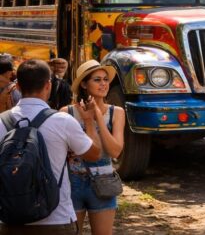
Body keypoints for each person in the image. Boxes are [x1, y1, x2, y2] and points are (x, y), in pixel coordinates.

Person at [0, 59, 101, 234]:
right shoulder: (62, 121)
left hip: (10, 220)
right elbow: (94, 154)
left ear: (16, 86)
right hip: (57, 219)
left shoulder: (1, 122)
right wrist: (89, 122)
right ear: (48, 85)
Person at [62, 60, 125, 235]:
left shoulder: (116, 112)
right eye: (97, 80)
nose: (103, 83)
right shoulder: (66, 113)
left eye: (106, 79)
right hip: (72, 182)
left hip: (104, 182)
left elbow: (115, 151)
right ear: (83, 83)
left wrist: (98, 117)